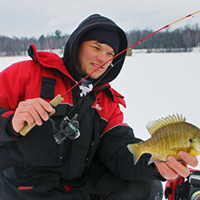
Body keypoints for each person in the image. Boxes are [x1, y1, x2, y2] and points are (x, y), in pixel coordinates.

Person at [0, 13, 198, 200]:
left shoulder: (107, 101)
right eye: (96, 47)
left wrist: (153, 165)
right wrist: (10, 123)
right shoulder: (26, 74)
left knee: (147, 185)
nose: (103, 58)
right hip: (23, 191)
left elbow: (119, 150)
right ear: (77, 45)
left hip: (79, 189)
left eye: (110, 53)